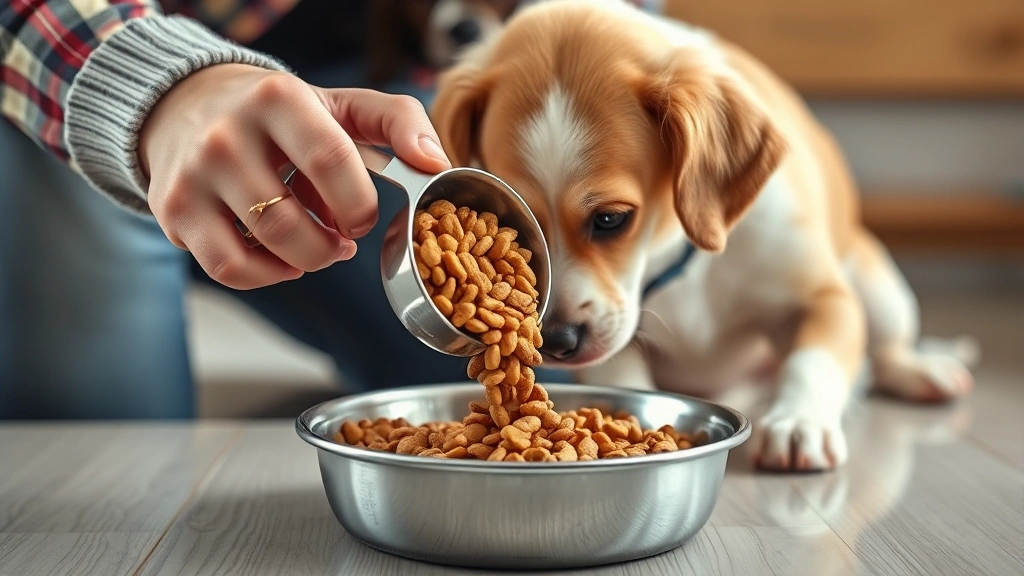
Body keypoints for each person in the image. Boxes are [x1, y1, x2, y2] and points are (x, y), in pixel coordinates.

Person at [0, 0, 570, 419]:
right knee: (95, 452)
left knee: (473, 375)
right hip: (74, 83)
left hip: (377, 88)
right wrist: (155, 87)